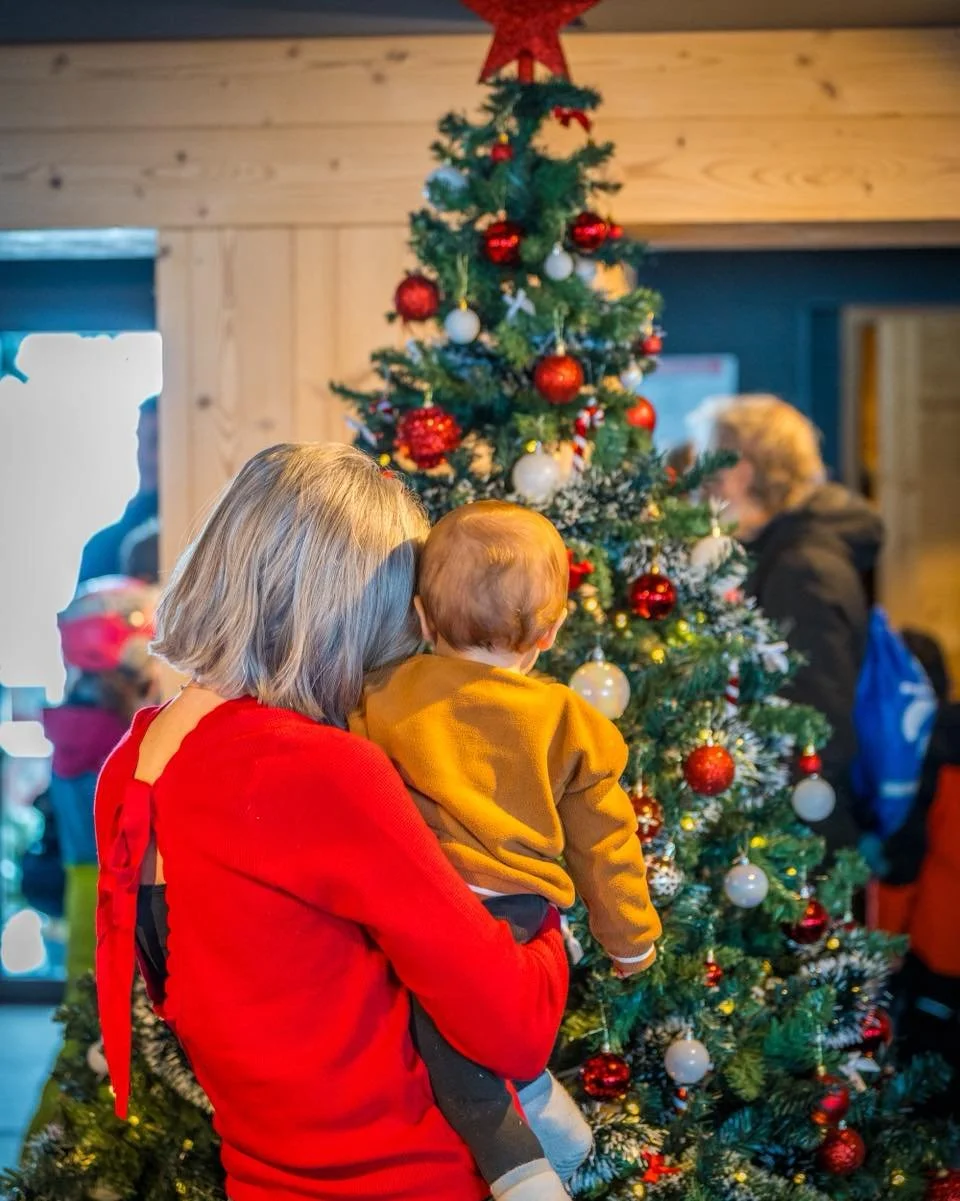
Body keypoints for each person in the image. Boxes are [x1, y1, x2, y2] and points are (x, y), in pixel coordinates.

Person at [94, 444, 569, 1201]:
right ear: (359, 612)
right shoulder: (322, 771)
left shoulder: (139, 758)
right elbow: (513, 1023)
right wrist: (543, 903)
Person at [351, 500, 661, 1201]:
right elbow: (608, 841)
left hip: (427, 905)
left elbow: (351, 793)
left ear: (423, 618)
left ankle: (520, 1170)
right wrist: (631, 940)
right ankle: (536, 1100)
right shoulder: (573, 723)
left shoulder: (383, 695)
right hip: (522, 913)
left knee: (437, 1037)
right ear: (551, 631)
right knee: (469, 1029)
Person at [701, 394, 883, 853]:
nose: (703, 488)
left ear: (740, 470)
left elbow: (817, 729)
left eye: (712, 468)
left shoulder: (802, 567)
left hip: (798, 840)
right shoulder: (791, 555)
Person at [25, 576, 159, 1143]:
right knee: (93, 1028)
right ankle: (45, 1152)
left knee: (85, 1023)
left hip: (89, 884)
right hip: (111, 887)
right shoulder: (116, 730)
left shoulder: (76, 721)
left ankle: (43, 1150)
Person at [78, 395, 159, 584]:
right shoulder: (101, 547)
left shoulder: (203, 533)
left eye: (158, 441)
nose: (148, 457)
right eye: (143, 441)